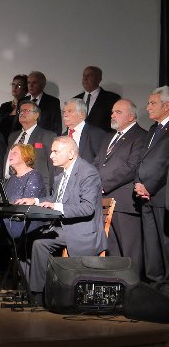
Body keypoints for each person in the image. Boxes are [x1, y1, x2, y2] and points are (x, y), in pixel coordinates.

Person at [15, 136, 107, 305]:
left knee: (40, 243)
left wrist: (57, 206)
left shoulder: (88, 172)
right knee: (26, 238)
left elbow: (87, 208)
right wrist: (35, 201)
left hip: (81, 229)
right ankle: (30, 288)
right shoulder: (61, 175)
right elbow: (55, 198)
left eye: (56, 151)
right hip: (63, 226)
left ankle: (39, 295)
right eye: (52, 151)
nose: (51, 156)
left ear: (71, 153)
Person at [94, 99, 147, 275]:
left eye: (118, 112)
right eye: (112, 112)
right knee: (111, 250)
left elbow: (131, 167)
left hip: (124, 204)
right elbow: (97, 162)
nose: (112, 115)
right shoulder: (108, 136)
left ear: (131, 116)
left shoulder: (141, 136)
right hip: (103, 201)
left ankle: (133, 290)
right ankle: (115, 288)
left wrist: (104, 185)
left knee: (129, 251)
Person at [0, 144, 47, 286]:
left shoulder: (34, 176)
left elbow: (26, 207)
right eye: (10, 152)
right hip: (9, 219)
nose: (10, 155)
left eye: (15, 153)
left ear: (25, 156)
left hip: (26, 222)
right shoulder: (11, 179)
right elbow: (5, 204)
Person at [134, 86, 169, 292]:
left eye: (152, 103)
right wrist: (138, 183)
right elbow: (142, 160)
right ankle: (155, 284)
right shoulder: (153, 130)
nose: (147, 107)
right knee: (151, 243)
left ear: (167, 105)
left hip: (161, 194)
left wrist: (150, 186)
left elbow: (165, 163)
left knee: (164, 244)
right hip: (145, 195)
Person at [4, 101, 57, 195]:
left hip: (35, 188)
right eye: (20, 111)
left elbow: (52, 166)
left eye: (26, 111)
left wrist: (50, 190)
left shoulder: (47, 136)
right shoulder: (13, 136)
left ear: (36, 115)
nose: (22, 113)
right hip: (10, 184)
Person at [74, 66, 121, 133]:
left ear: (99, 78)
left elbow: (117, 123)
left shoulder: (112, 98)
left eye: (89, 76)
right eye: (84, 76)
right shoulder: (75, 100)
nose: (85, 78)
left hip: (103, 140)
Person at [61, 98, 108, 164]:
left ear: (82, 115)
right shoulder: (62, 137)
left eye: (70, 111)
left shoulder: (96, 134)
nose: (65, 115)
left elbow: (101, 161)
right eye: (64, 111)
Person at [0, 74, 28, 140]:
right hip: (1, 142)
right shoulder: (4, 106)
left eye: (19, 85)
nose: (15, 87)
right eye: (13, 84)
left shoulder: (28, 106)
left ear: (25, 89)